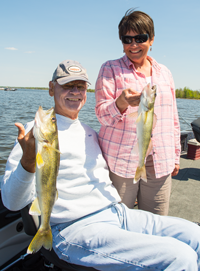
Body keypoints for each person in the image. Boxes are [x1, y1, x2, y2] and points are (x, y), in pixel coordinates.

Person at [1, 59, 200, 271]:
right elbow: (12, 201)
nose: (75, 92)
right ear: (51, 88)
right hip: (75, 228)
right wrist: (28, 161)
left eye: (80, 86)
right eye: (67, 85)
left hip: (118, 214)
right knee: (180, 258)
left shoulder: (91, 132)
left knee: (196, 237)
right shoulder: (34, 133)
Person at [95, 9, 180, 215]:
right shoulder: (110, 69)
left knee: (156, 222)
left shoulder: (165, 73)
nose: (133, 45)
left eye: (140, 38)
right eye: (127, 39)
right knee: (118, 220)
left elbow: (173, 120)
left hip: (161, 162)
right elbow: (101, 114)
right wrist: (121, 103)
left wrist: (176, 155)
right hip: (121, 162)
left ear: (151, 40)